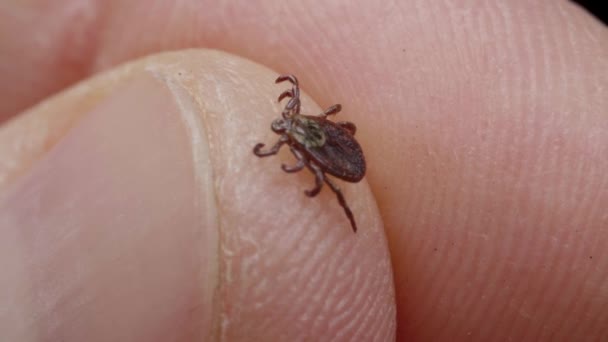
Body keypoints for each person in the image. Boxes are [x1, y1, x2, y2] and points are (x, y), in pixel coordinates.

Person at [0, 2, 606, 341]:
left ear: (302, 129)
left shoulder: (313, 146)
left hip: (343, 157)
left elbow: (324, 171)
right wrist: (299, 137)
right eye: (289, 126)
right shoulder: (312, 129)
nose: (287, 127)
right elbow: (329, 149)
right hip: (343, 152)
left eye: (290, 126)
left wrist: (304, 158)